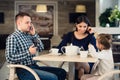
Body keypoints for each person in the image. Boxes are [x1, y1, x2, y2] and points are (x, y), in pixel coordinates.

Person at [5, 12, 66, 80]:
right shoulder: (13, 37)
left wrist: (34, 35)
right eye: (27, 22)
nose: (30, 25)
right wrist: (28, 52)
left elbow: (41, 48)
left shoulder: (29, 35)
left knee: (61, 72)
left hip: (35, 67)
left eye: (30, 22)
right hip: (24, 70)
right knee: (53, 77)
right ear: (19, 23)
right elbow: (9, 58)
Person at [57, 15, 98, 80]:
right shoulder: (70, 35)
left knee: (79, 64)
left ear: (88, 26)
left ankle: (72, 76)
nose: (82, 29)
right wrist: (68, 51)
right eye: (80, 26)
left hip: (87, 63)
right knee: (80, 70)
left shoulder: (90, 36)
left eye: (85, 26)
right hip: (75, 63)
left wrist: (92, 34)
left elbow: (96, 50)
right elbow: (60, 48)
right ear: (76, 25)